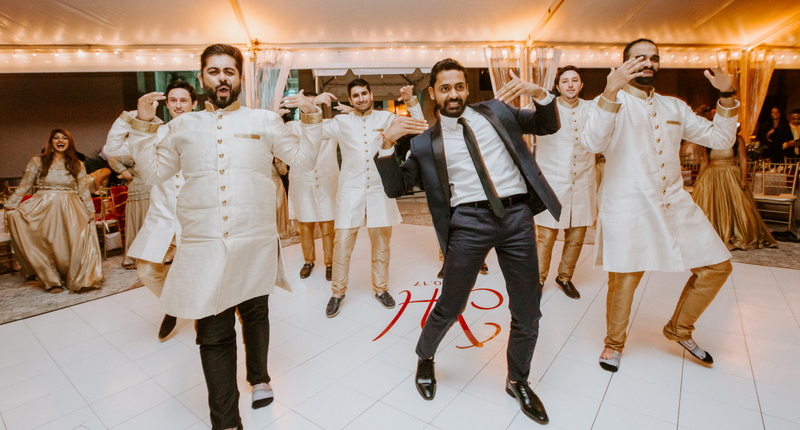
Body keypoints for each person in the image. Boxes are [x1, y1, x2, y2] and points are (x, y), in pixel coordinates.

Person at [127, 44, 321, 430]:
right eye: (214, 71)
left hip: (255, 241)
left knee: (255, 314)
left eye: (229, 71)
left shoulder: (265, 121)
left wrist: (312, 119)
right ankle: (227, 421)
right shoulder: (181, 126)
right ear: (202, 78)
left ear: (240, 78)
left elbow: (301, 161)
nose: (222, 78)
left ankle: (260, 377)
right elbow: (152, 174)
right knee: (213, 335)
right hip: (203, 246)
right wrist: (144, 127)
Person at [375, 58, 561, 425]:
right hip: (469, 222)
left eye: (459, 86)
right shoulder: (425, 143)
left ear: (466, 87)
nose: (454, 94)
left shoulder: (496, 111)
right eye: (445, 88)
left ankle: (517, 380)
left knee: (528, 309)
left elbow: (546, 123)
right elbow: (397, 186)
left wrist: (539, 92)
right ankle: (425, 358)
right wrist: (387, 141)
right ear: (433, 94)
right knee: (451, 305)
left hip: (517, 218)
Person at [581, 38, 739, 372]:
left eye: (654, 58)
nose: (648, 63)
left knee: (717, 266)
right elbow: (592, 142)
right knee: (624, 279)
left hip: (675, 203)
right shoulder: (608, 101)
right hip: (629, 205)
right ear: (625, 63)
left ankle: (679, 328)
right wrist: (610, 92)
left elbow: (721, 139)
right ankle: (614, 344)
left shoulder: (674, 107)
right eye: (640, 58)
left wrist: (726, 96)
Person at [319, 79, 424, 318]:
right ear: (350, 99)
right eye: (355, 95)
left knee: (381, 244)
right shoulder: (341, 122)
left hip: (379, 189)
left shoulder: (385, 118)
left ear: (371, 94)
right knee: (342, 245)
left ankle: (381, 289)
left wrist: (410, 100)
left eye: (364, 93)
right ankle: (337, 293)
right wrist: (309, 108)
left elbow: (417, 125)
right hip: (350, 190)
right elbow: (315, 130)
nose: (361, 99)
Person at [103, 80, 198, 339]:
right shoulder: (153, 132)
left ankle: (203, 314)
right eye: (173, 100)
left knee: (198, 271)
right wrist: (133, 116)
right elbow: (111, 149)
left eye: (183, 100)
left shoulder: (205, 132)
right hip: (162, 215)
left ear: (194, 103)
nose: (178, 105)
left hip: (195, 216)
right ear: (167, 105)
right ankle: (174, 304)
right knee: (146, 270)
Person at [5, 129, 103, 293]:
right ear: (51, 142)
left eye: (64, 138)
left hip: (70, 207)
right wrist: (11, 203)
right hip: (43, 206)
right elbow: (25, 184)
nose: (60, 140)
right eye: (56, 138)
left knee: (71, 243)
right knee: (47, 244)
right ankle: (52, 281)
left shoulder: (77, 164)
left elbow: (83, 190)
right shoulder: (38, 161)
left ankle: (76, 277)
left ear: (69, 143)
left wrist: (90, 210)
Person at [534, 65, 596, 299]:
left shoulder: (592, 109)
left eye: (575, 80)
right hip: (552, 182)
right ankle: (538, 279)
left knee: (577, 235)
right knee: (546, 237)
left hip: (582, 181)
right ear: (558, 86)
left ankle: (564, 277)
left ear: (581, 85)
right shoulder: (545, 109)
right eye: (565, 81)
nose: (570, 84)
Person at [693, 128, 777, 250]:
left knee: (735, 206)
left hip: (731, 175)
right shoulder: (710, 139)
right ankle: (712, 235)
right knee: (711, 206)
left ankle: (733, 234)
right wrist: (699, 178)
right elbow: (705, 161)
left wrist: (744, 178)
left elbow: (743, 159)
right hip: (711, 176)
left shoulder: (737, 140)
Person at [287, 92, 338, 280]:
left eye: (312, 102)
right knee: (305, 226)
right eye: (305, 103)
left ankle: (330, 263)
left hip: (327, 182)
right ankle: (308, 261)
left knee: (328, 226)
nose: (308, 105)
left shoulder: (331, 126)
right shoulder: (292, 127)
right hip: (302, 183)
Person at [107, 155, 152, 269]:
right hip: (139, 194)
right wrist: (124, 171)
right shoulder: (136, 155)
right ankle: (135, 258)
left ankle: (154, 257)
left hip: (158, 193)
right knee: (139, 226)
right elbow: (112, 160)